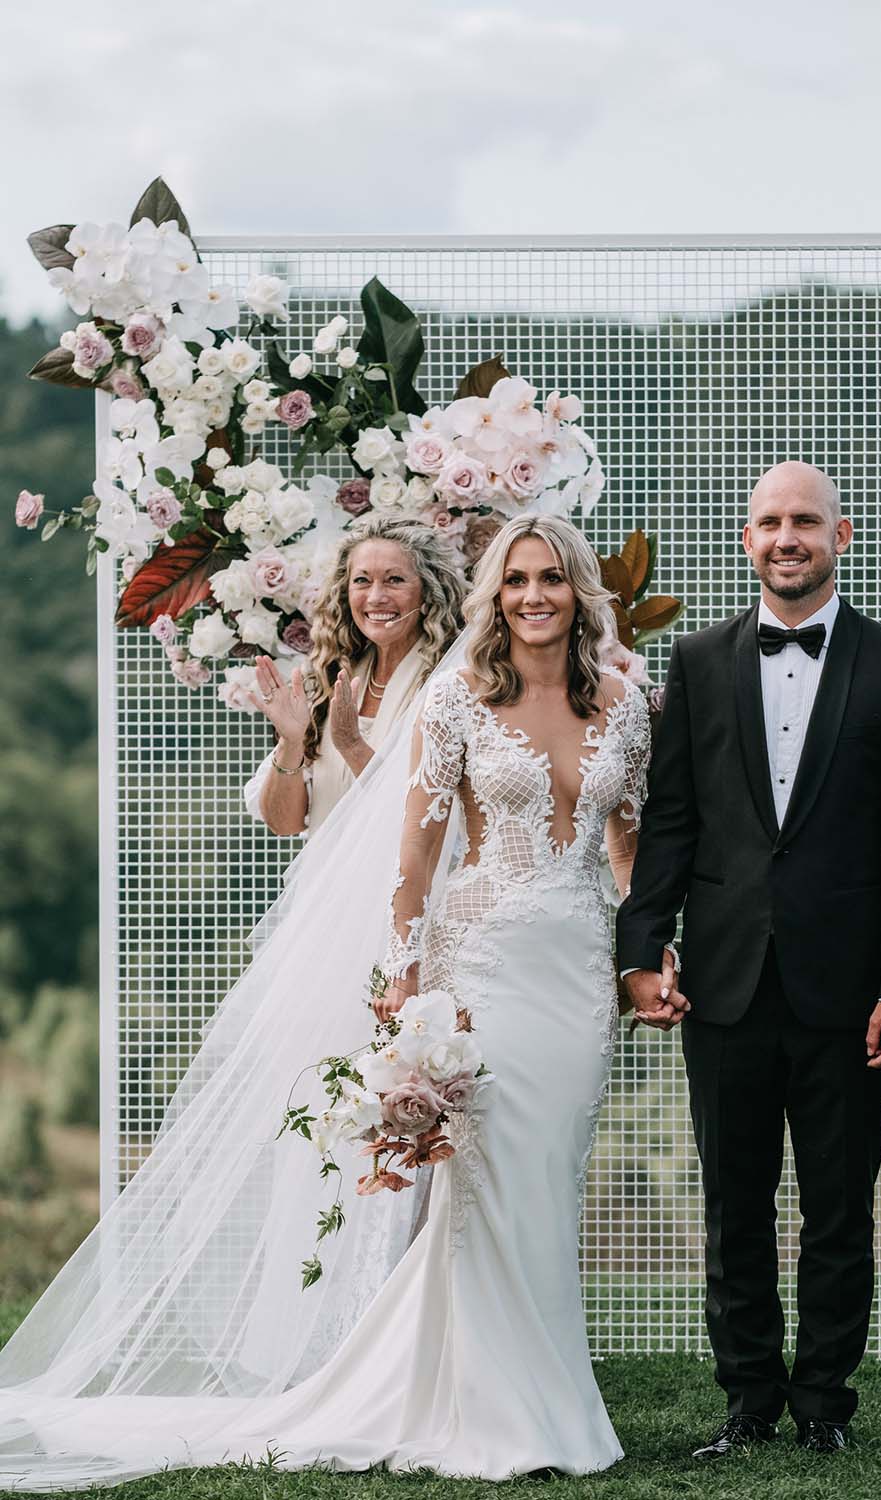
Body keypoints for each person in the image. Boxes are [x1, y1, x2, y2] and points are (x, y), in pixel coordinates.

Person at [0, 514, 650, 1486]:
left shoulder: (628, 707)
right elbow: (413, 858)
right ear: (493, 594)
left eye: (550, 578)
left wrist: (648, 955)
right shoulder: (461, 700)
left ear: (579, 589)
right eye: (514, 579)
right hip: (480, 968)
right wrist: (402, 976)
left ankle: (537, 1390)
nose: (532, 595)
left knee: (549, 1177)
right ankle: (497, 1410)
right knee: (488, 1183)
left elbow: (628, 845)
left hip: (578, 980)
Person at [617, 462, 881, 1458]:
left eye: (804, 520)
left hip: (851, 994)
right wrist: (641, 949)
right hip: (723, 982)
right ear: (747, 538)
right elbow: (671, 823)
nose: (786, 536)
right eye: (769, 521)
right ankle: (748, 1400)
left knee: (838, 1210)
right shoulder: (700, 661)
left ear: (839, 535)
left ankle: (823, 1407)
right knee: (733, 1207)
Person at [243, 515, 466, 839]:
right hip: (327, 884)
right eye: (362, 581)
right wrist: (291, 743)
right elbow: (285, 824)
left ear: (428, 591)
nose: (376, 597)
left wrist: (351, 745)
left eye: (394, 580)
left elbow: (439, 820)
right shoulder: (325, 678)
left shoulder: (454, 682)